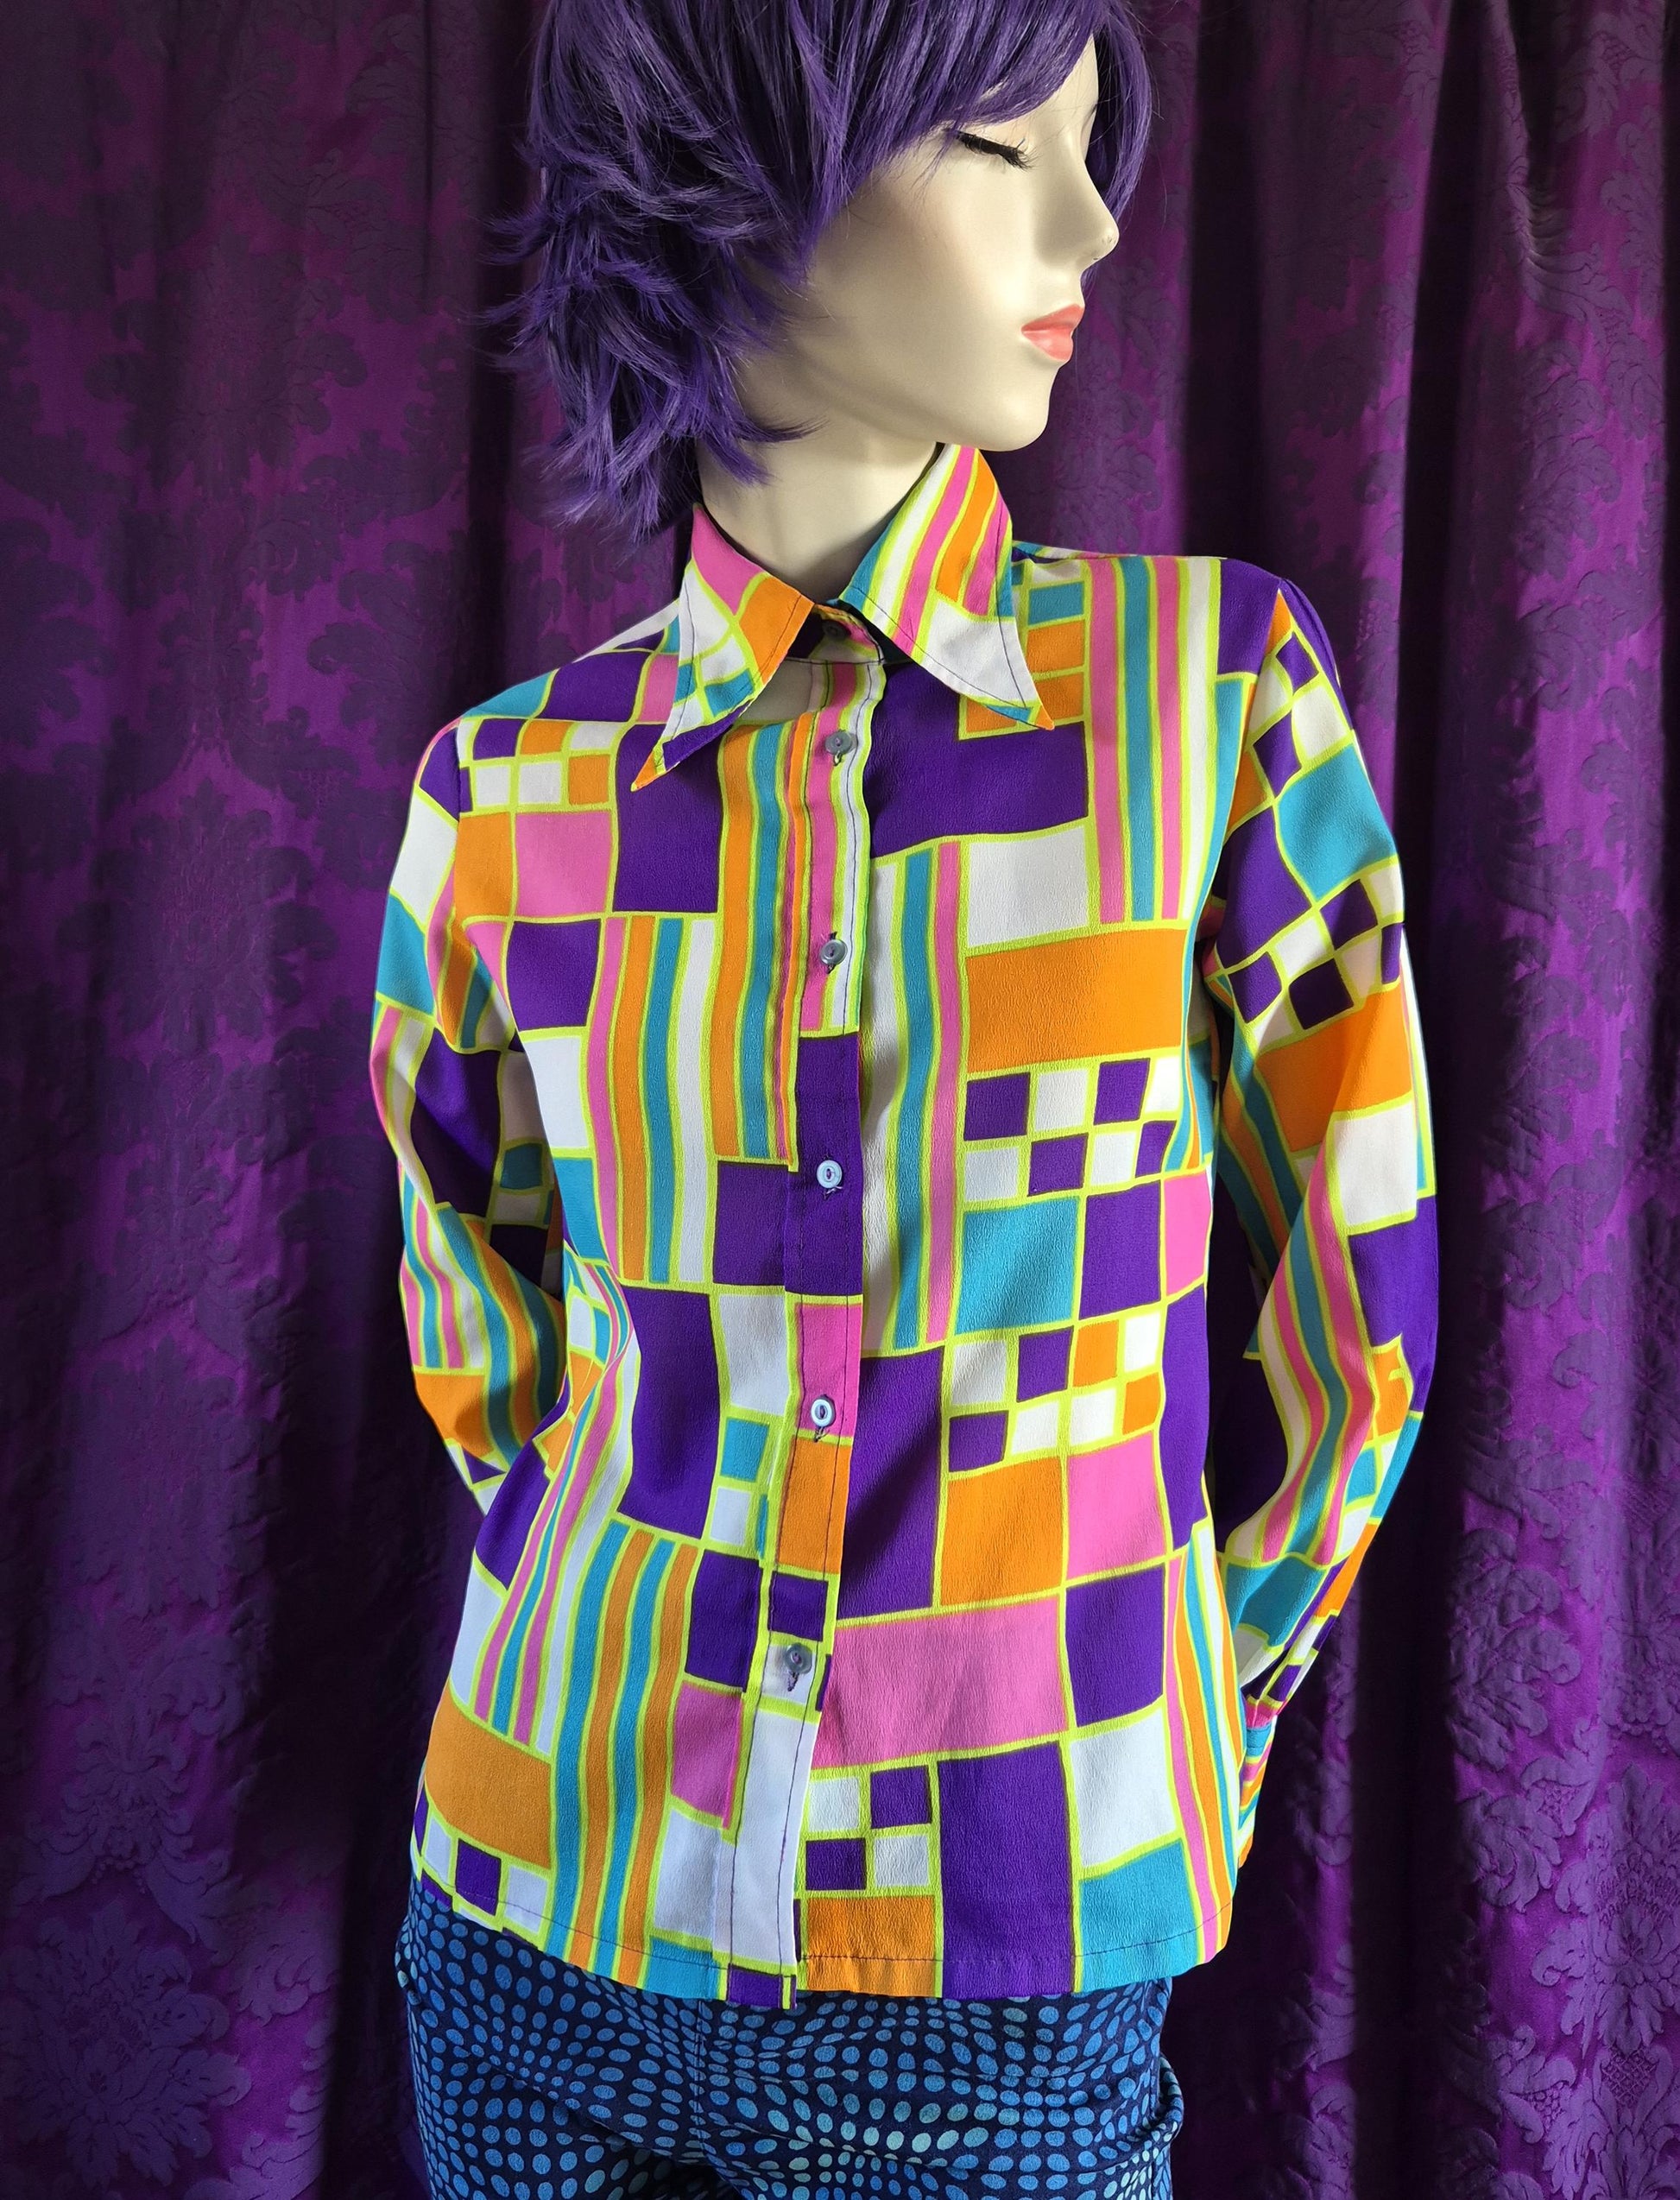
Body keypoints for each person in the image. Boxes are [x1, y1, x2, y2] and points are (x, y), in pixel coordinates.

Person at [369, 1, 1439, 2193]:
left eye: (1088, 146)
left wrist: (1171, 1714)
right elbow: (482, 1327)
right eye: (991, 144)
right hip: (532, 1914)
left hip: (1002, 1981)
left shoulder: (1210, 702)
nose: (1093, 223)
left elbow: (1362, 1315)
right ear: (731, 179)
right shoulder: (506, 790)